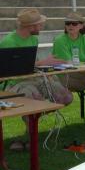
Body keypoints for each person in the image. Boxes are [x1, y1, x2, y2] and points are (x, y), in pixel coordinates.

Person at [1, 8, 72, 150]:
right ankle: (30, 137)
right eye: (39, 24)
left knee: (66, 97)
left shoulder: (34, 39)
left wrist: (47, 68)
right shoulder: (8, 42)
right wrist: (42, 63)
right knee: (34, 99)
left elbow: (31, 64)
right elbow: (7, 71)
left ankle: (32, 123)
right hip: (15, 83)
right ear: (31, 26)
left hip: (35, 78)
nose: (42, 26)